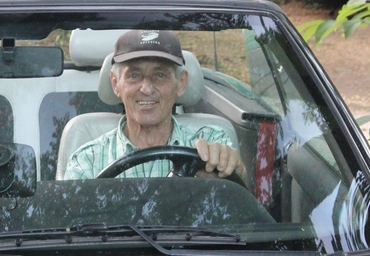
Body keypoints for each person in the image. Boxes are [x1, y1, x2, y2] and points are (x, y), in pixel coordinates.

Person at [64, 29, 243, 180]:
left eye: (160, 75)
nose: (147, 89)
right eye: (134, 76)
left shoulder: (211, 141)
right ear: (115, 84)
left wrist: (230, 167)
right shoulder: (88, 161)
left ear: (181, 83)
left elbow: (241, 196)